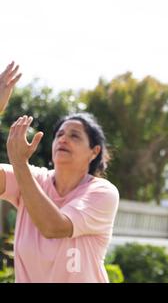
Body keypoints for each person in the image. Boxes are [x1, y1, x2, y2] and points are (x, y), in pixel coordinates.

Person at [0, 62, 119, 282]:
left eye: (74, 136)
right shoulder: (33, 178)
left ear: (94, 152)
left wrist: (19, 162)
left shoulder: (103, 193)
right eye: (59, 134)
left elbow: (54, 227)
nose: (63, 138)